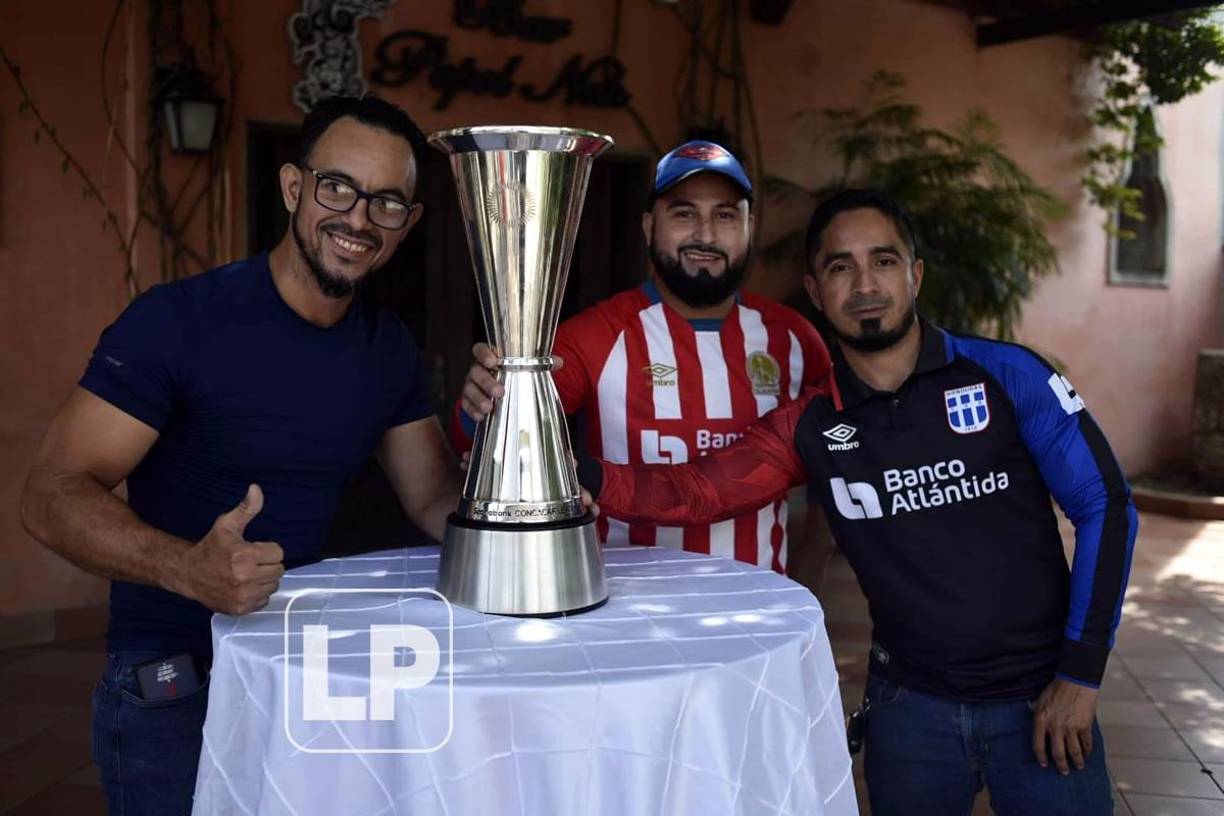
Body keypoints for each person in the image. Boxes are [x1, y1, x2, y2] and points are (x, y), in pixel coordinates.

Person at [577, 189, 1138, 815]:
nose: (865, 284)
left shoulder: (1006, 376)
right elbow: (696, 492)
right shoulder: (812, 425)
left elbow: (1106, 505)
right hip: (910, 713)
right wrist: (586, 477)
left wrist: (1080, 674)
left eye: (884, 261)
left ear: (915, 274)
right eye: (841, 267)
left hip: (1043, 704)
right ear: (816, 291)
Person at [19, 95, 463, 816]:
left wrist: (526, 485)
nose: (358, 219)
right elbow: (49, 494)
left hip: (303, 670)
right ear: (293, 187)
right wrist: (185, 567)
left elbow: (434, 497)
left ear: (407, 224)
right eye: (337, 187)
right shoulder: (177, 321)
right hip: (174, 678)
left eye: (386, 202)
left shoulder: (387, 348)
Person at [456, 140, 834, 578]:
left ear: (750, 226)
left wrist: (805, 586)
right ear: (649, 225)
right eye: (684, 214)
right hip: (624, 603)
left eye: (725, 215)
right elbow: (489, 445)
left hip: (759, 603)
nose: (706, 235)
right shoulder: (595, 336)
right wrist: (482, 403)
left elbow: (837, 472)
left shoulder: (794, 339)